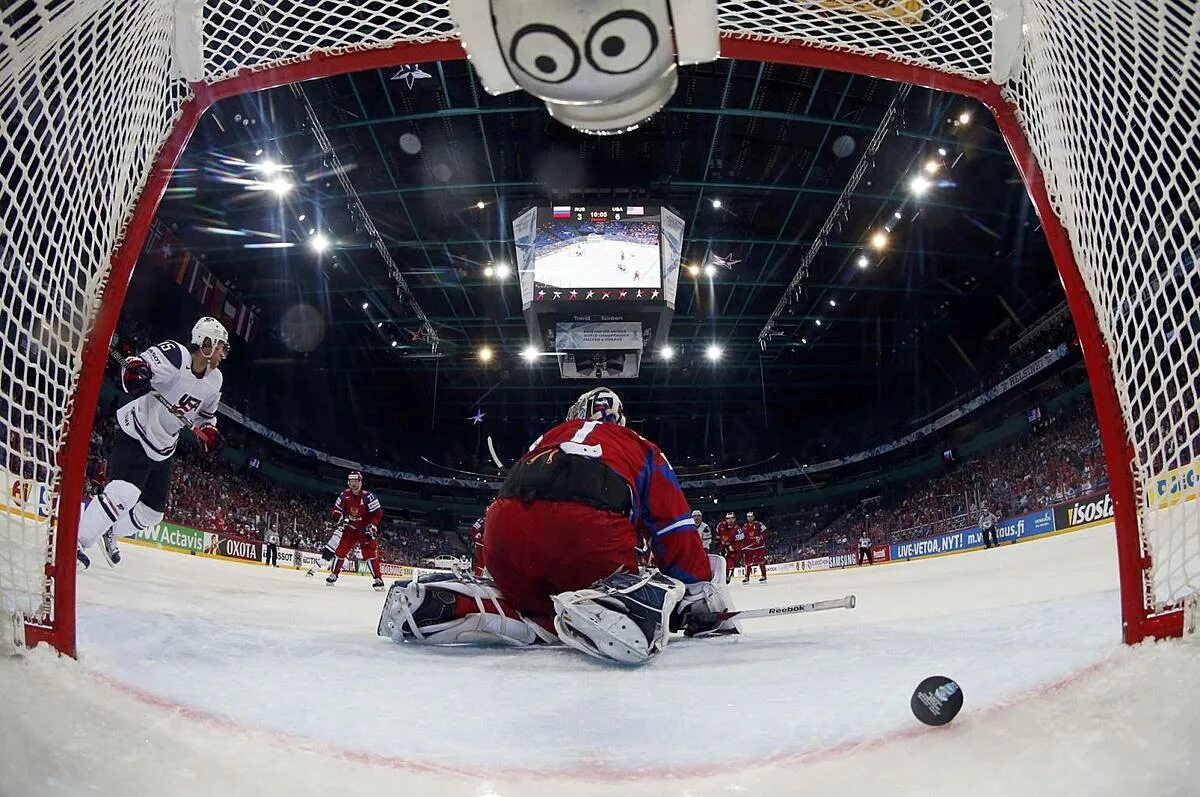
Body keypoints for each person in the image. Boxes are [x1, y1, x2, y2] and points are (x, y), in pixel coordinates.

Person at [377, 387, 738, 664]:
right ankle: (615, 604)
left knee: (534, 607)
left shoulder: (546, 438)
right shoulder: (641, 446)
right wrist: (698, 591)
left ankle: (472, 604)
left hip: (504, 537)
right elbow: (672, 527)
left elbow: (514, 501)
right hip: (585, 539)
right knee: (661, 584)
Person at [75, 318, 227, 570]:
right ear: (206, 344)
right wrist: (135, 372)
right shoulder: (176, 356)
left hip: (164, 446)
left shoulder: (215, 379)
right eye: (220, 346)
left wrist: (209, 431)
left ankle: (110, 530)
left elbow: (205, 416)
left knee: (152, 513)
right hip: (137, 430)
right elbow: (136, 366)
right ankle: (77, 541)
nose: (223, 353)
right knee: (126, 492)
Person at [306, 471, 384, 590]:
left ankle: (378, 579)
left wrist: (373, 525)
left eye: (355, 481)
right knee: (340, 551)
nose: (353, 483)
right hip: (350, 529)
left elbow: (377, 513)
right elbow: (336, 510)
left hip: (365, 530)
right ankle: (334, 574)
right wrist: (339, 517)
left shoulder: (369, 496)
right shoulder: (344, 495)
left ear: (360, 482)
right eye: (351, 481)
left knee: (369, 554)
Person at [714, 511, 741, 584]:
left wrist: (729, 549)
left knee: (730, 564)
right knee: (719, 565)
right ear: (725, 519)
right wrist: (718, 546)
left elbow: (739, 543)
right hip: (722, 548)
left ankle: (728, 576)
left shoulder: (738, 529)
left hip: (734, 551)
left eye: (732, 518)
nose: (730, 520)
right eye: (728, 518)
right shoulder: (720, 525)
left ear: (735, 519)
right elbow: (717, 537)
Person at [741, 511, 768, 582]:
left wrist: (761, 537)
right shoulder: (744, 526)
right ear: (747, 518)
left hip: (759, 546)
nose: (750, 518)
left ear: (753, 517)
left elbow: (766, 532)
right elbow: (742, 537)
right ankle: (746, 577)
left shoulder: (759, 524)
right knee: (747, 562)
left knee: (760, 561)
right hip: (749, 547)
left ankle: (763, 575)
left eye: (751, 516)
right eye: (748, 517)